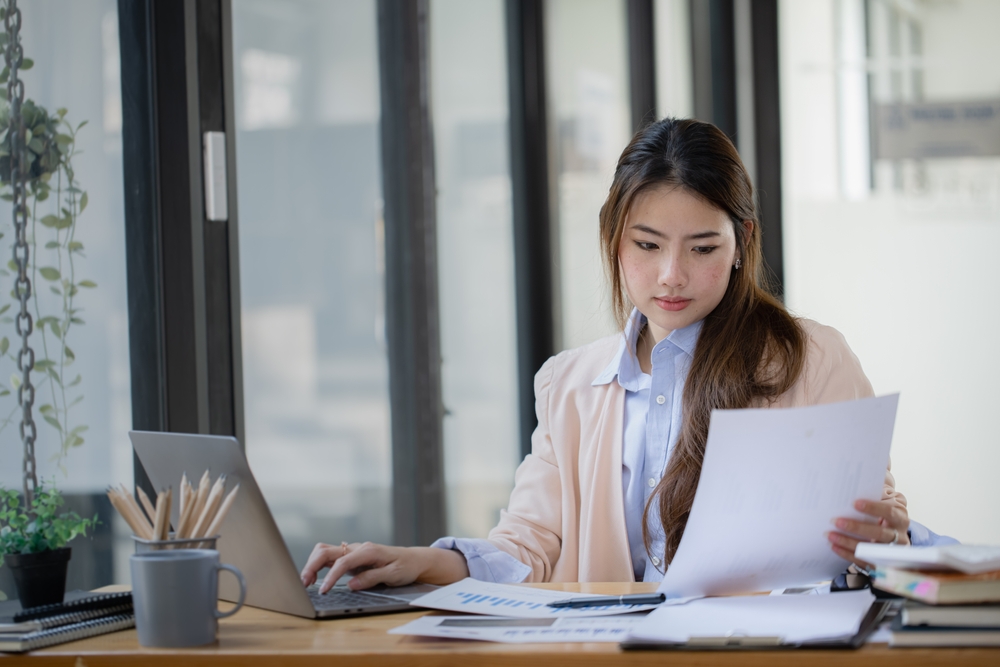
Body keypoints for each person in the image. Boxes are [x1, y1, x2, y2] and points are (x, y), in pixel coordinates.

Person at [301, 117, 949, 594]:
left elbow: (876, 525)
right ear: (613, 238)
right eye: (646, 244)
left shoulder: (810, 357)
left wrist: (886, 536)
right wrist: (421, 561)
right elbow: (529, 543)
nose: (671, 274)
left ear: (742, 242)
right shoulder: (570, 383)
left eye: (702, 248)